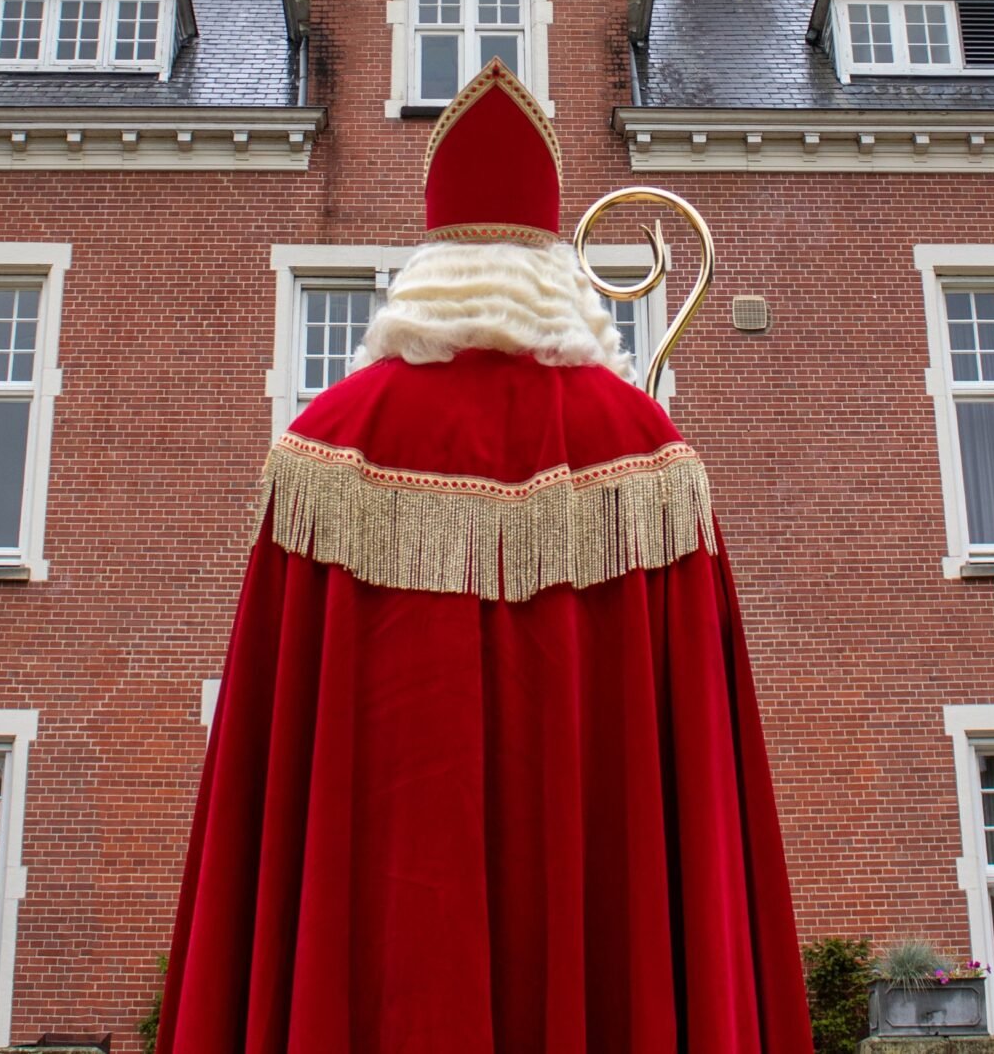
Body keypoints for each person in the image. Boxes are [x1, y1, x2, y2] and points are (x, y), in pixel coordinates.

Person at [158, 60, 813, 1054]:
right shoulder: (651, 455)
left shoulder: (321, 448)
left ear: (431, 258)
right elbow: (700, 766)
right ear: (552, 261)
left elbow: (268, 757)